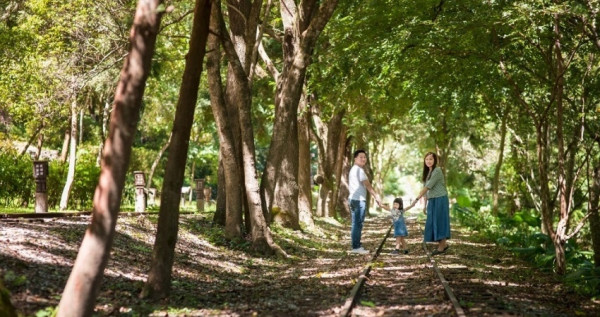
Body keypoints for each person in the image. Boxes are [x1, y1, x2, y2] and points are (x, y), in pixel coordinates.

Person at [407, 152, 450, 255]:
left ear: (435, 160)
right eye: (427, 159)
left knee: (439, 222)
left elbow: (427, 187)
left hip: (440, 199)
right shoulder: (428, 173)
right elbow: (427, 191)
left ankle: (441, 247)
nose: (428, 161)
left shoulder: (437, 171)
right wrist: (424, 205)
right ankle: (443, 244)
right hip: (432, 200)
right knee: (432, 222)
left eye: (431, 159)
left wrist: (415, 200)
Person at [348, 149, 382, 254]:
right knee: (358, 224)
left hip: (353, 199)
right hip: (358, 200)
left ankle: (356, 245)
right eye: (360, 157)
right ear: (355, 158)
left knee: (355, 223)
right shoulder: (359, 170)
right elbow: (367, 185)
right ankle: (356, 247)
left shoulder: (354, 169)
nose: (363, 159)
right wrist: (376, 196)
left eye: (364, 157)